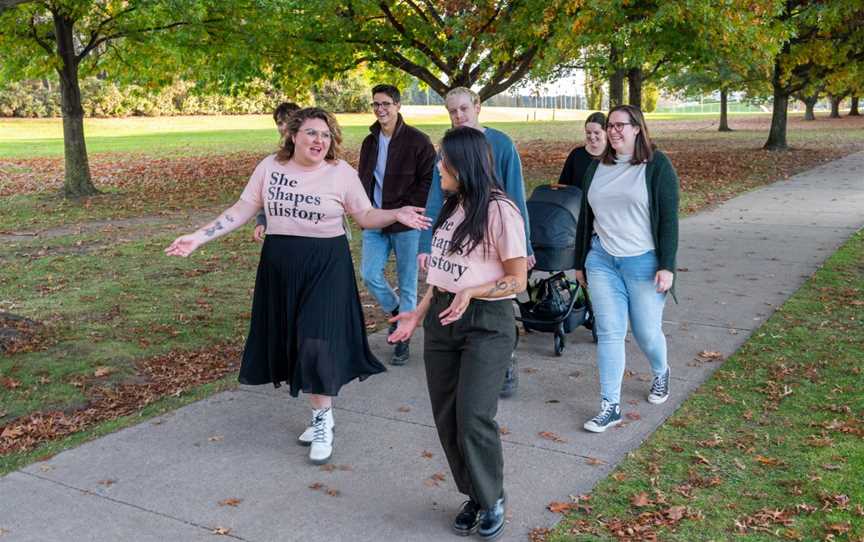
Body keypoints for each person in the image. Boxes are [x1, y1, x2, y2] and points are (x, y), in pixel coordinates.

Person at [165, 107, 431, 464]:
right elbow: (242, 209)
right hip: (281, 265)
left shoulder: (340, 173)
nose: (319, 140)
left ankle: (322, 418)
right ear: (292, 135)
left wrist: (396, 213)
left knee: (316, 339)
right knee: (293, 338)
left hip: (326, 266)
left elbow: (365, 216)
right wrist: (198, 237)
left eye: (325, 134)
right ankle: (322, 412)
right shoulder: (269, 168)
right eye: (311, 133)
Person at [389, 126, 527, 540]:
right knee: (447, 417)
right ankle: (474, 492)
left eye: (442, 160)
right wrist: (416, 314)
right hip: (443, 320)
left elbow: (518, 279)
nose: (437, 167)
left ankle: (493, 497)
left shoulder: (501, 211)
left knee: (473, 416)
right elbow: (442, 276)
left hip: (486, 322)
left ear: (462, 164)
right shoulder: (452, 208)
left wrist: (475, 289)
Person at [417, 86, 533, 398]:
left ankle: (503, 361)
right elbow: (434, 201)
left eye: (463, 109)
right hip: (460, 241)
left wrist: (527, 247)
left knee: (497, 300)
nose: (458, 116)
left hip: (498, 239)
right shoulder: (447, 151)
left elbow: (515, 197)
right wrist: (425, 245)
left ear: (477, 106)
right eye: (452, 112)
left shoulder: (500, 144)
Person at [573, 104, 679, 433]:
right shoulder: (596, 168)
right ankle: (610, 406)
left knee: (647, 333)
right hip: (602, 259)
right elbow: (586, 219)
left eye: (621, 125)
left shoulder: (657, 165)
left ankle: (660, 371)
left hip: (643, 262)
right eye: (610, 126)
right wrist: (579, 262)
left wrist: (667, 265)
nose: (614, 131)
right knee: (609, 333)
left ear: (637, 129)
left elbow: (668, 220)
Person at [357, 84, 435, 365]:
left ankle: (404, 339)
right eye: (376, 104)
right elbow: (363, 178)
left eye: (386, 104)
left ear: (398, 105)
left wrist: (406, 208)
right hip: (376, 218)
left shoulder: (418, 141)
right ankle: (398, 314)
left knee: (408, 282)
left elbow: (429, 180)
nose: (380, 109)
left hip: (407, 222)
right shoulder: (370, 141)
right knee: (369, 273)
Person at [253, 101, 301, 242]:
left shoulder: (315, 155)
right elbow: (271, 192)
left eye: (289, 121)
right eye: (280, 123)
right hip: (282, 234)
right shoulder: (275, 162)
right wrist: (262, 221)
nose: (284, 126)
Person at [558, 112, 607, 186]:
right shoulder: (576, 154)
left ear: (606, 132)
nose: (592, 137)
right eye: (588, 132)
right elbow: (563, 184)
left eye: (596, 133)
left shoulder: (613, 155)